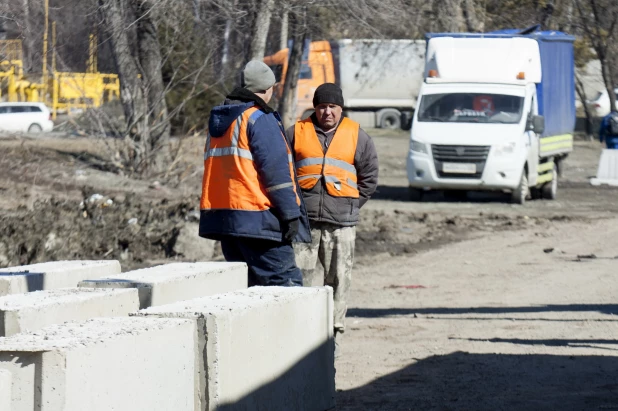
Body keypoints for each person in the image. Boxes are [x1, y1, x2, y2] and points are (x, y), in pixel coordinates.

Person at [199, 60, 311, 287]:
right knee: (285, 285)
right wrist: (291, 214)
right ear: (268, 88)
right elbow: (276, 174)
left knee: (248, 290)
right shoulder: (259, 118)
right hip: (259, 221)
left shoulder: (221, 121)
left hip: (226, 222)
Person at [285, 83, 379, 354]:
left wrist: (351, 204)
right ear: (315, 107)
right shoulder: (296, 133)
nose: (327, 112)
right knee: (300, 280)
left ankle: (332, 335)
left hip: (342, 224)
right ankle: (299, 334)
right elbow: (283, 172)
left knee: (339, 279)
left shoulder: (358, 136)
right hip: (304, 223)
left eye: (333, 107)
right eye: (322, 106)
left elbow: (369, 177)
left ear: (341, 108)